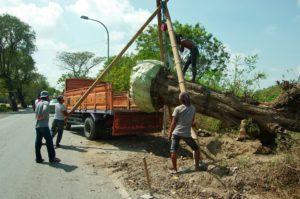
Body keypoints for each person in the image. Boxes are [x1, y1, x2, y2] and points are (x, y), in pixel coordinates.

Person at [168, 92, 203, 173]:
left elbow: (173, 123)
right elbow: (192, 122)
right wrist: (194, 125)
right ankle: (197, 167)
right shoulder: (193, 108)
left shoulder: (177, 108)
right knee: (196, 149)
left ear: (181, 100)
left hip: (176, 133)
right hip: (186, 134)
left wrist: (170, 133)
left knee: (173, 150)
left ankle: (175, 169)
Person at [35, 90, 60, 163]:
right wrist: (42, 117)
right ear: (47, 96)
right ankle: (52, 158)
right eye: (48, 96)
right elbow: (45, 109)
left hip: (37, 125)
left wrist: (38, 117)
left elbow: (36, 113)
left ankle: (38, 158)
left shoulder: (38, 103)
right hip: (44, 126)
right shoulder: (46, 103)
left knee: (38, 142)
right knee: (49, 142)